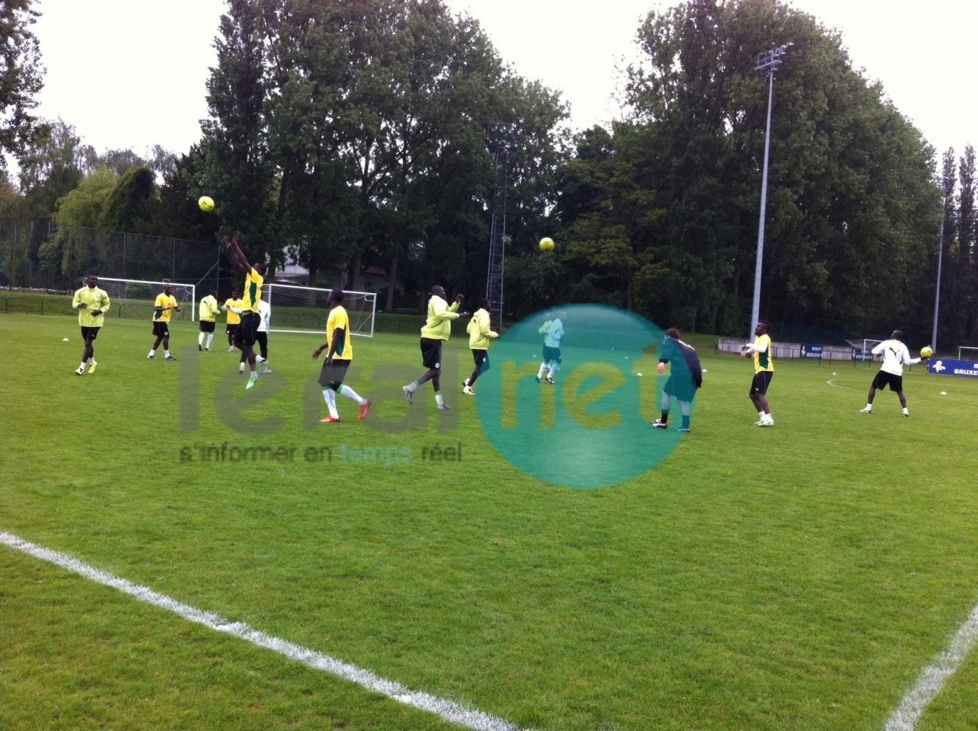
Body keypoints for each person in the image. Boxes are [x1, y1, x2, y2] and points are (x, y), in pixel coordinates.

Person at [403, 285, 469, 410]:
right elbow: (441, 314)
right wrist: (459, 316)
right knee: (435, 371)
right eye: (443, 291)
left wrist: (456, 303)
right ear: (438, 292)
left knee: (436, 372)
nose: (445, 293)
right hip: (432, 339)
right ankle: (410, 388)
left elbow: (447, 312)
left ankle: (440, 403)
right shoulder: (438, 301)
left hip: (430, 338)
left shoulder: (436, 301)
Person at [312, 289, 371, 423]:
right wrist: (321, 348)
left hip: (341, 354)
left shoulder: (340, 312)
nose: (327, 298)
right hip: (334, 354)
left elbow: (338, 335)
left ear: (332, 297)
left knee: (334, 384)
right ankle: (334, 416)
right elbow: (334, 336)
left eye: (328, 295)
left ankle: (363, 402)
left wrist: (331, 356)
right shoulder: (334, 312)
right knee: (325, 384)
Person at [225, 232, 267, 390]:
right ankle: (259, 359)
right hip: (247, 317)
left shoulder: (257, 277)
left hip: (252, 317)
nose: (251, 267)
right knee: (236, 341)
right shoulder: (251, 277)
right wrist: (231, 248)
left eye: (255, 266)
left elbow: (244, 260)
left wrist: (236, 244)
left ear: (259, 270)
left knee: (248, 347)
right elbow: (239, 262)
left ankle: (254, 375)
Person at [860, 330, 925, 417]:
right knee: (899, 391)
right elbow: (908, 362)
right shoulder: (903, 347)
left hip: (886, 370)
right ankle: (905, 411)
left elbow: (873, 351)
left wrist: (880, 353)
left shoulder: (886, 343)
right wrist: (921, 358)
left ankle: (868, 408)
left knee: (873, 387)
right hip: (897, 372)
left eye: (893, 333)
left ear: (894, 335)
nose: (891, 334)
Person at [650, 328, 702, 433]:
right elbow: (696, 361)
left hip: (681, 373)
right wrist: (698, 380)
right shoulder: (686, 345)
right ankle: (684, 426)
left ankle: (664, 422)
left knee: (666, 393)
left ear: (668, 336)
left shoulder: (669, 341)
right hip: (692, 374)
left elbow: (668, 351)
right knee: (682, 399)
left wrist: (662, 362)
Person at [71, 275, 110, 375]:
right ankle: (93, 362)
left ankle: (81, 367)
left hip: (96, 322)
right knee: (87, 343)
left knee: (88, 343)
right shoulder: (80, 292)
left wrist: (100, 311)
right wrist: (79, 305)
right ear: (87, 281)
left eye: (96, 280)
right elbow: (74, 302)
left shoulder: (102, 293)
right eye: (93, 279)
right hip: (83, 321)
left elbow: (107, 305)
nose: (95, 281)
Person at [463, 298, 499, 395]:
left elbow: (468, 329)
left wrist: (475, 335)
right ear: (485, 305)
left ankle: (468, 381)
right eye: (489, 304)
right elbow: (485, 331)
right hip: (479, 344)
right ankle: (468, 387)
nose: (490, 306)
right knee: (481, 365)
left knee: (485, 365)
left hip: (475, 343)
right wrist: (496, 335)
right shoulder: (484, 316)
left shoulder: (476, 315)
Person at [742, 320, 774, 426]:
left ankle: (769, 418)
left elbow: (762, 349)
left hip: (765, 369)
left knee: (760, 394)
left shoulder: (765, 337)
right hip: (758, 370)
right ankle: (763, 417)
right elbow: (755, 349)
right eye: (757, 326)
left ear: (764, 330)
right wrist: (749, 351)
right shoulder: (758, 338)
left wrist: (750, 345)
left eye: (759, 327)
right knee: (752, 395)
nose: (756, 328)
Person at [147, 283, 181, 361]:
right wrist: (165, 309)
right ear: (165, 289)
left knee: (160, 337)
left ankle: (151, 354)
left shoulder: (172, 298)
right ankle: (167, 355)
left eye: (172, 288)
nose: (171, 290)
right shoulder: (160, 297)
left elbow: (176, 308)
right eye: (169, 288)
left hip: (164, 320)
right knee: (166, 336)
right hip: (159, 319)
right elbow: (156, 308)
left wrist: (179, 309)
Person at [536, 312, 565, 384]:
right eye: (564, 315)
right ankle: (549, 376)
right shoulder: (557, 322)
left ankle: (539, 376)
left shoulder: (558, 322)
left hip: (549, 345)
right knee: (558, 360)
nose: (565, 317)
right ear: (560, 316)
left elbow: (556, 332)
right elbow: (551, 331)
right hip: (552, 346)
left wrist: (563, 332)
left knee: (547, 360)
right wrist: (558, 338)